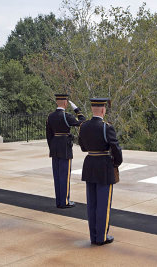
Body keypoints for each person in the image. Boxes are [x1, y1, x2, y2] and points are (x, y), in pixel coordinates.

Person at [78, 98, 123, 245]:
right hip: (104, 167)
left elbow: (83, 147)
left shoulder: (84, 126)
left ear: (92, 109)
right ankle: (102, 237)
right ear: (103, 110)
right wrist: (116, 163)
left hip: (90, 164)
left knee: (92, 204)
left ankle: (93, 236)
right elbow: (116, 149)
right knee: (103, 204)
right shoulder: (106, 127)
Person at [46, 93, 86, 208]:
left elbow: (48, 135)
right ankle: (65, 202)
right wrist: (77, 110)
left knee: (57, 176)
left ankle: (59, 201)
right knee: (64, 175)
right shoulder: (67, 116)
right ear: (65, 103)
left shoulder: (50, 116)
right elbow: (82, 122)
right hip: (65, 148)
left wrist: (51, 148)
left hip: (54, 148)